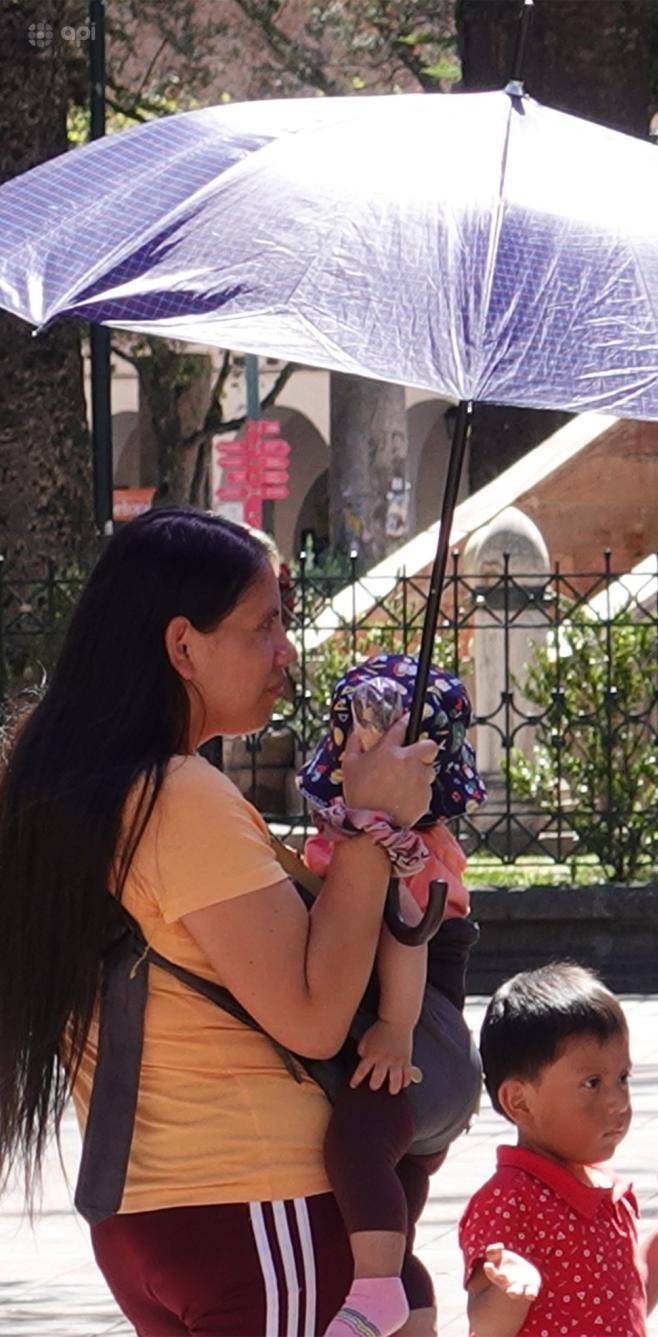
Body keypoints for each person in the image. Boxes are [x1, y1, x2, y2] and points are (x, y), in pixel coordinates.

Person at [0, 507, 441, 1335]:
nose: (287, 650)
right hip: (258, 1203)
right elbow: (312, 1016)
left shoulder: (69, 788)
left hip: (143, 1218)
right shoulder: (180, 797)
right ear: (182, 647)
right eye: (263, 623)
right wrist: (373, 825)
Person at [297, 655, 487, 1337]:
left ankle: (376, 1289)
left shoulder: (407, 848)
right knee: (387, 1217)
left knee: (353, 1149)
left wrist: (396, 1027)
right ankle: (412, 1312)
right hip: (422, 1066)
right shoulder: (377, 837)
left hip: (411, 1050)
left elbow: (408, 935)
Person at [459, 963, 658, 1337]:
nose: (618, 1101)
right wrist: (511, 1291)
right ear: (520, 1102)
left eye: (623, 1078)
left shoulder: (610, 1192)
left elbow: (632, 1303)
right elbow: (487, 1325)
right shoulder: (508, 1199)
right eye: (592, 1083)